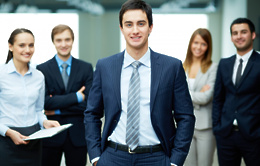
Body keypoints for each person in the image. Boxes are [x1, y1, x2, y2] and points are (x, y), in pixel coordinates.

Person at [84, 0, 195, 166]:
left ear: (150, 27)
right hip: (113, 157)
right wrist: (95, 157)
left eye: (141, 24)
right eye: (129, 24)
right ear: (121, 28)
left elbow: (185, 117)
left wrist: (175, 161)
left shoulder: (171, 67)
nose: (135, 30)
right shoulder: (104, 66)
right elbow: (92, 113)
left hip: (156, 157)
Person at [0, 28, 60, 166]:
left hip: (33, 140)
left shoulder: (39, 76)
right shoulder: (1, 74)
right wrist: (9, 133)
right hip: (6, 140)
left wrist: (45, 122)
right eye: (21, 45)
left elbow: (39, 110)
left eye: (31, 45)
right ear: (10, 46)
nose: (27, 50)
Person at [36, 24, 93, 166]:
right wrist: (77, 97)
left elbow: (90, 104)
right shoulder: (42, 69)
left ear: (73, 41)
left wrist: (57, 108)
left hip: (78, 135)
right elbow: (44, 103)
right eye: (59, 40)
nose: (63, 44)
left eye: (67, 40)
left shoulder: (86, 68)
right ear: (53, 42)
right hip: (51, 135)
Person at [213, 17, 260, 166]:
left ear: (253, 35)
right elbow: (218, 98)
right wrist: (217, 127)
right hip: (226, 134)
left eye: (243, 32)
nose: (239, 36)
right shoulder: (224, 64)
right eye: (235, 33)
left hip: (254, 135)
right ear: (231, 37)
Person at [183, 28, 217, 166]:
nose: (199, 47)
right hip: (185, 126)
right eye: (196, 42)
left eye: (203, 44)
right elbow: (174, 96)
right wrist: (196, 96)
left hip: (205, 127)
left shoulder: (213, 67)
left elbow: (206, 97)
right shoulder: (181, 66)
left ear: (208, 47)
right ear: (191, 43)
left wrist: (185, 95)